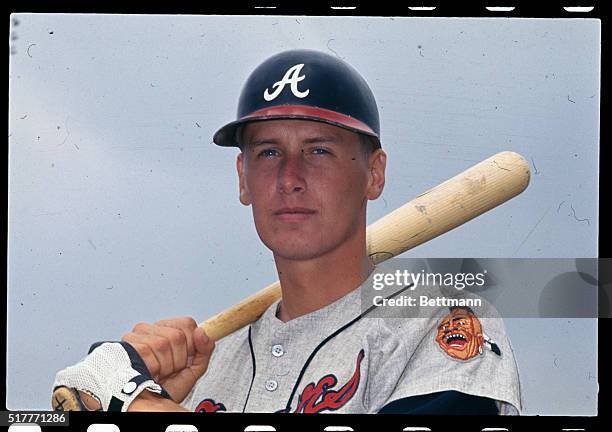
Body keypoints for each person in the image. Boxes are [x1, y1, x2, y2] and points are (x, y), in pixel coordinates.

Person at [52, 49, 522, 414]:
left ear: (374, 174)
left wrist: (144, 407)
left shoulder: (438, 321)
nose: (290, 177)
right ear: (242, 178)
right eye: (269, 153)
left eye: (319, 151)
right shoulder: (207, 368)